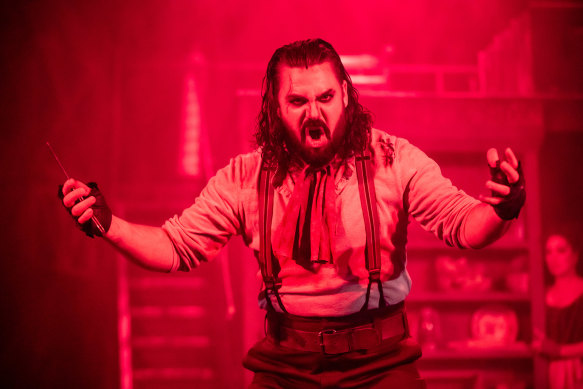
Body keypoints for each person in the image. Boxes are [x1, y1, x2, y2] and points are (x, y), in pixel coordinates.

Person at [59, 39, 526, 388]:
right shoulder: (246, 177)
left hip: (382, 364)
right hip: (286, 366)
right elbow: (176, 247)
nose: (314, 113)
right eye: (298, 102)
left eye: (324, 97)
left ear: (345, 94)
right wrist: (110, 225)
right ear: (276, 108)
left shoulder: (393, 158)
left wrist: (501, 208)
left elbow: (463, 224)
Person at [533, 225, 583, 389]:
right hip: (548, 373)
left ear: (575, 255)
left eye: (561, 250)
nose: (553, 258)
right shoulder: (541, 296)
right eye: (548, 252)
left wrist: (560, 350)